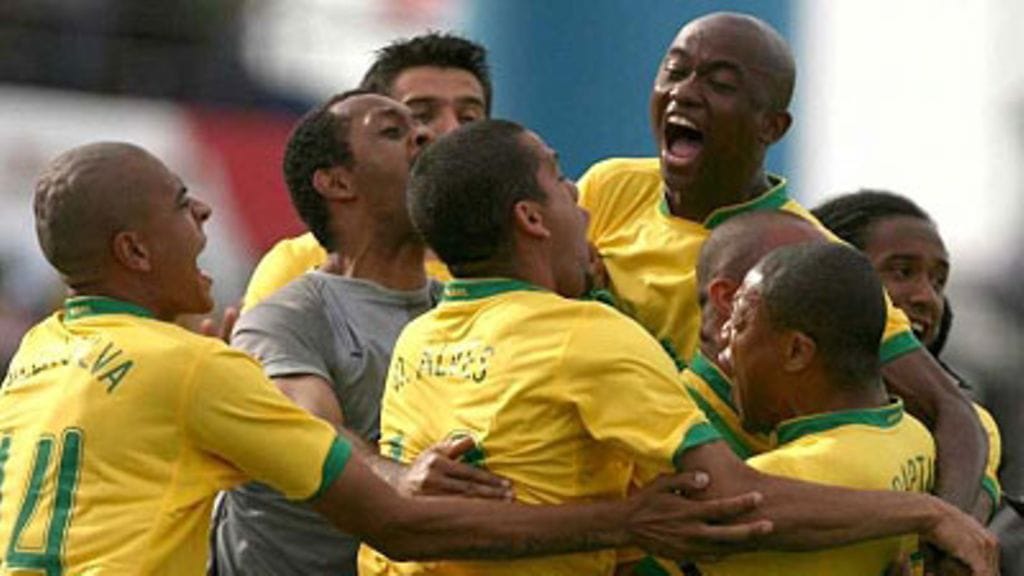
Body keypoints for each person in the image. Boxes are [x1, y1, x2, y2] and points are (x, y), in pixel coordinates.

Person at [0, 140, 795, 574]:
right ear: (134, 249)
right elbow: (401, 527)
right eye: (182, 204)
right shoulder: (198, 363)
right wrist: (629, 520)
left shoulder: (39, 353)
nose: (204, 208)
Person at [360, 119, 997, 576]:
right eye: (558, 178)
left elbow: (402, 501)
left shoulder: (420, 336)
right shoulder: (587, 337)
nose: (580, 193)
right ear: (531, 218)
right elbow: (729, 503)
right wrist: (924, 513)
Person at [576, 11, 988, 514]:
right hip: (601, 500)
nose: (685, 92)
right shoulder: (610, 188)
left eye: (720, 83)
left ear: (771, 125)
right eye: (675, 70)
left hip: (716, 521)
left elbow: (952, 412)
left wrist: (952, 528)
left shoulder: (800, 255)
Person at [213, 90, 506, 575]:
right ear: (336, 181)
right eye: (393, 131)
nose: (426, 135)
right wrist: (400, 475)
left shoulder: (464, 311)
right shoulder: (286, 316)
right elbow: (312, 431)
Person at [701, 242, 936, 575]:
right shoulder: (916, 435)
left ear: (797, 351)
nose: (724, 339)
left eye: (740, 323)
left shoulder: (787, 477)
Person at [241, 32, 491, 311]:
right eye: (421, 115)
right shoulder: (297, 265)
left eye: (469, 118)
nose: (452, 131)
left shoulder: (521, 268)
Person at [811, 190, 1003, 521]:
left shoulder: (973, 428)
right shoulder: (753, 405)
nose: (927, 297)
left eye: (938, 281)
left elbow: (968, 535)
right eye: (902, 272)